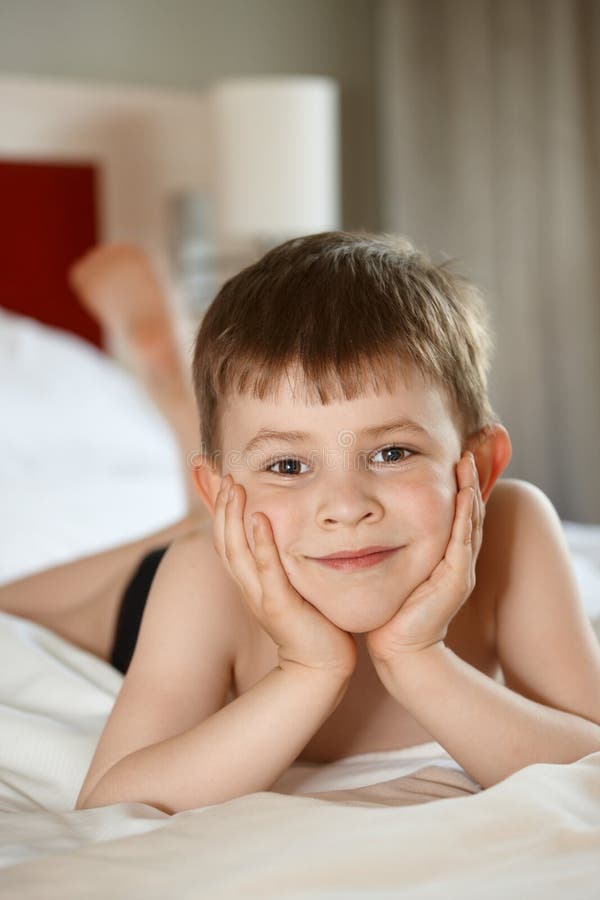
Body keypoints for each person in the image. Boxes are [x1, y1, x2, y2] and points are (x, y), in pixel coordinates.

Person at [2, 233, 600, 816]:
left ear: (480, 467)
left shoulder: (516, 531)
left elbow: (590, 752)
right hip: (204, 576)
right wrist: (309, 671)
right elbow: (109, 801)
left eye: (391, 453)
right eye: (289, 464)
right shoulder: (201, 578)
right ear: (223, 495)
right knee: (12, 603)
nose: (345, 506)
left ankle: (214, 443)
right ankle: (180, 411)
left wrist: (419, 658)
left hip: (269, 528)